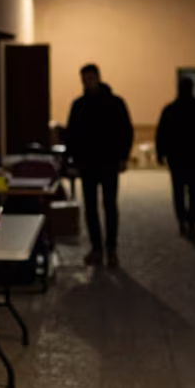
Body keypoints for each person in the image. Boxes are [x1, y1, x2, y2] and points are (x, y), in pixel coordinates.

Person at [66, 64, 133, 267]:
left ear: (98, 78)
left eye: (90, 78)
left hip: (110, 163)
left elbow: (125, 131)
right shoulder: (78, 105)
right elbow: (72, 135)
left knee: (110, 206)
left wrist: (123, 157)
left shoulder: (115, 103)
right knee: (91, 208)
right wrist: (73, 161)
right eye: (84, 80)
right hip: (87, 165)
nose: (87, 83)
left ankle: (111, 249)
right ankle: (97, 248)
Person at [157, 78, 195, 240]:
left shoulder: (170, 109)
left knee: (178, 191)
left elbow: (161, 133)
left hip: (176, 157)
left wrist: (160, 153)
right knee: (194, 191)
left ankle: (182, 220)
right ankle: (192, 222)